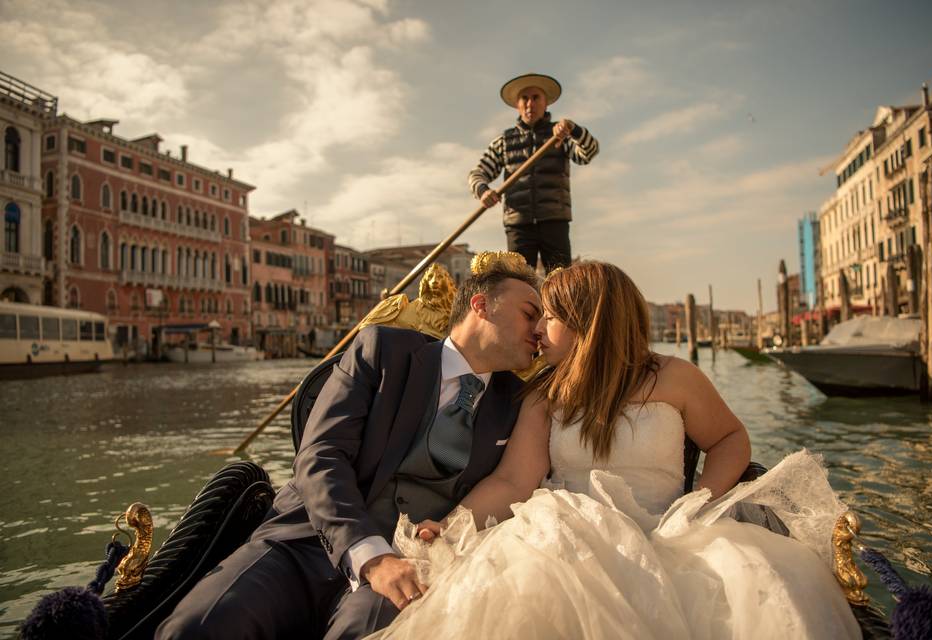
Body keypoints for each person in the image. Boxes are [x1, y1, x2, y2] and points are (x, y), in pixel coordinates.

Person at [368, 262, 862, 639]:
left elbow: (730, 440)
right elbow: (514, 482)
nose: (537, 329)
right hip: (564, 536)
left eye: (551, 316)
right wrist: (453, 522)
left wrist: (699, 503)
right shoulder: (544, 393)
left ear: (587, 320)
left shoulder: (676, 377)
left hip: (671, 533)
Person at [155, 265, 543, 640]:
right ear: (480, 305)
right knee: (196, 627)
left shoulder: (518, 404)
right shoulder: (383, 350)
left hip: (409, 563)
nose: (538, 329)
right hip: (304, 542)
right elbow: (320, 455)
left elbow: (510, 484)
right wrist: (371, 556)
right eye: (530, 314)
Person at [468, 73, 598, 272]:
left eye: (536, 98)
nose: (530, 104)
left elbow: (588, 153)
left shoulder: (561, 135)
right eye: (525, 98)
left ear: (546, 103)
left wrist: (573, 129)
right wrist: (483, 191)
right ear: (517, 105)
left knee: (560, 279)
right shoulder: (504, 141)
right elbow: (477, 173)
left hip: (554, 219)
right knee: (518, 280)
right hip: (518, 224)